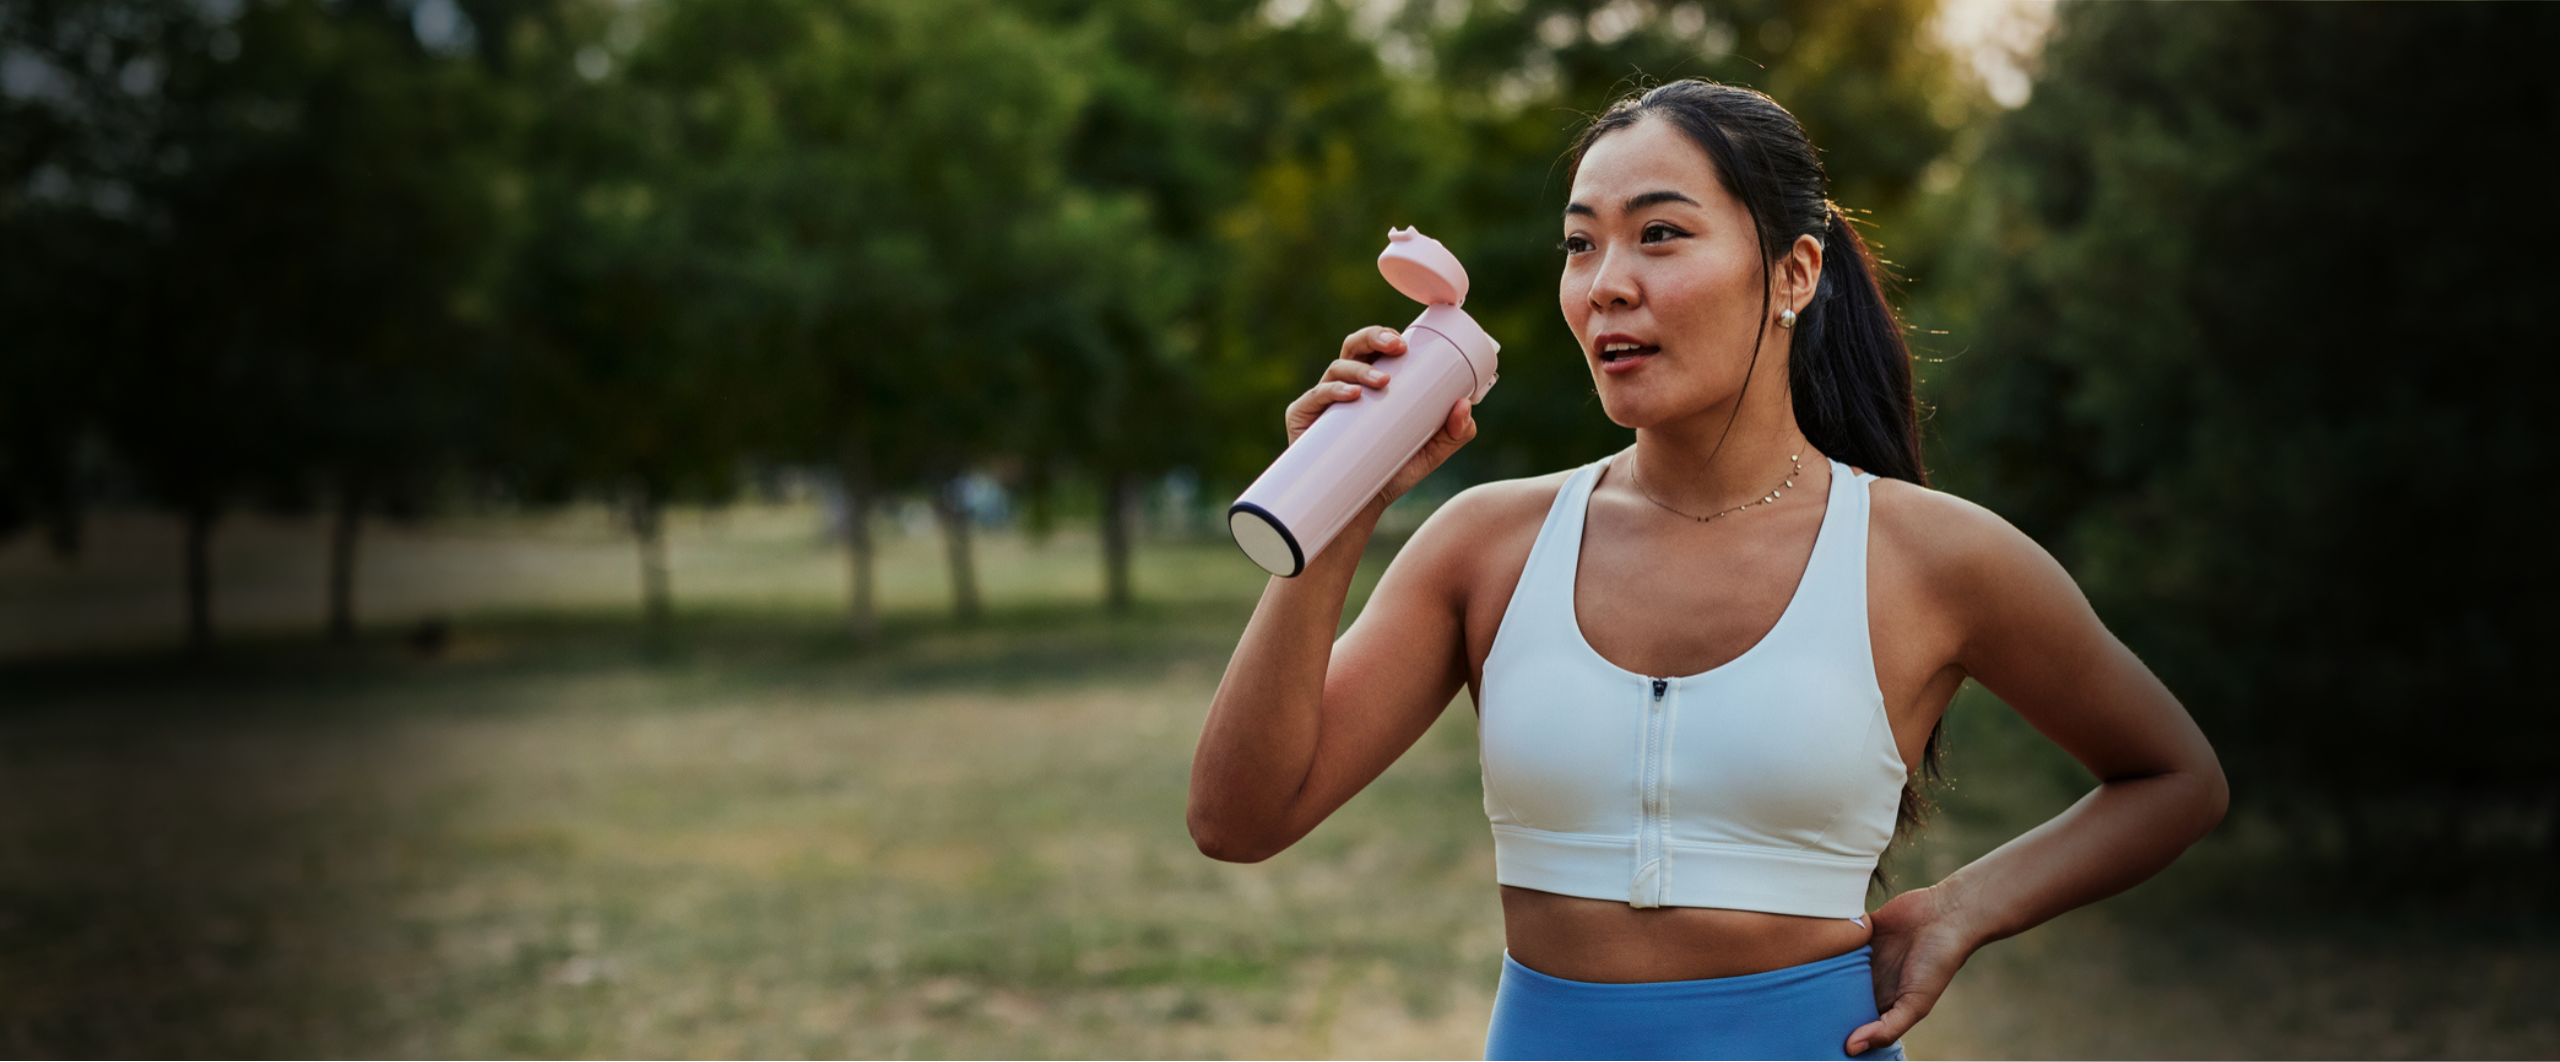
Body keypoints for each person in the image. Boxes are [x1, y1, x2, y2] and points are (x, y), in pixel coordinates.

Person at [1187, 79, 2227, 1060]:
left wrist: (1965, 907)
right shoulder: (1486, 543)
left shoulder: (1934, 556)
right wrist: (1332, 509)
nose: (1606, 287)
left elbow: (2174, 779)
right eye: (1579, 245)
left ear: (1794, 273)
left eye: (1660, 234)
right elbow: (1238, 820)